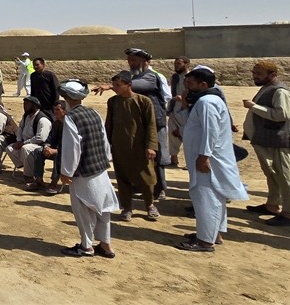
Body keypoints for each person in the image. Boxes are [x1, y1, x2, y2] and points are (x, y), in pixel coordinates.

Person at [177, 66, 248, 252]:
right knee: (214, 197)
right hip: (203, 156)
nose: (187, 87)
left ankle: (205, 241)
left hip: (208, 159)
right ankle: (213, 234)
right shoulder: (203, 100)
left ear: (203, 84)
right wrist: (184, 106)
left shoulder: (207, 102)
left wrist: (204, 156)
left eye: (190, 83)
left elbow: (211, 131)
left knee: (206, 197)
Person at [58, 79, 118, 258]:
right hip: (100, 169)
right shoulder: (93, 112)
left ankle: (86, 246)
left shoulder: (71, 118)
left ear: (66, 97)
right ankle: (106, 245)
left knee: (83, 210)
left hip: (83, 172)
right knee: (103, 209)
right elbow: (103, 138)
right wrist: (106, 158)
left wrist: (66, 172)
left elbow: (72, 148)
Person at [242, 60, 290, 227]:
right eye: (254, 73)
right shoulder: (267, 88)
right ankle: (272, 205)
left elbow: (282, 115)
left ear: (272, 75)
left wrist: (254, 107)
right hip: (267, 140)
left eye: (259, 74)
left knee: (285, 177)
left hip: (280, 141)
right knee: (272, 174)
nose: (255, 76)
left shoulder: (280, 91)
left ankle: (287, 214)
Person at [104, 71, 160, 222]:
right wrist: (106, 143)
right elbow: (109, 124)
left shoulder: (144, 101)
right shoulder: (113, 102)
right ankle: (126, 207)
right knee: (122, 178)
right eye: (114, 85)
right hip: (119, 146)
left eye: (118, 85)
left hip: (140, 146)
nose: (114, 88)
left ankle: (150, 205)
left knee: (146, 177)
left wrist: (151, 146)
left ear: (128, 85)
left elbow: (151, 126)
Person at [9, 96, 52, 189]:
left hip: (38, 145)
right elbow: (20, 129)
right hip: (24, 142)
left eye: (27, 104)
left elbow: (41, 138)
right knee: (10, 148)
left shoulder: (42, 119)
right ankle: (25, 166)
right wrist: (19, 140)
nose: (24, 106)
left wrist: (24, 143)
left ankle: (29, 176)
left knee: (26, 148)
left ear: (34, 106)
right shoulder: (26, 116)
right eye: (24, 104)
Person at [167, 57, 192, 166]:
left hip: (187, 109)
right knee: (172, 133)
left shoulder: (192, 77)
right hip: (175, 109)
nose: (176, 66)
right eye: (175, 64)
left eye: (179, 64)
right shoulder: (175, 77)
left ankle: (190, 162)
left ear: (187, 64)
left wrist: (184, 100)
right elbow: (172, 92)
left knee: (188, 136)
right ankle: (173, 158)